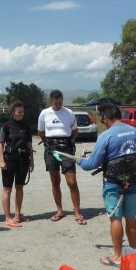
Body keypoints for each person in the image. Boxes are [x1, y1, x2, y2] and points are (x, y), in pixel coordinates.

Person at [76, 103, 136, 267]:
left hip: (113, 182)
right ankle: (133, 253)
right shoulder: (134, 131)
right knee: (131, 216)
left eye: (102, 119)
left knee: (116, 218)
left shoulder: (105, 136)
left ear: (106, 118)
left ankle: (118, 257)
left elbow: (91, 163)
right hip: (133, 180)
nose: (102, 122)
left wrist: (79, 161)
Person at [37, 89, 86, 225]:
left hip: (66, 149)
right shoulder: (44, 113)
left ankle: (77, 211)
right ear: (51, 101)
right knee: (55, 180)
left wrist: (70, 142)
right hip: (51, 149)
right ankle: (60, 210)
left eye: (60, 102)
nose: (58, 105)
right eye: (55, 103)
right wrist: (49, 145)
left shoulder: (69, 113)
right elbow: (41, 132)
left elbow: (75, 131)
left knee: (72, 181)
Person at [0, 100, 34, 228]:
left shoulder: (26, 126)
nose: (21, 113)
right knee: (7, 189)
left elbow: (29, 144)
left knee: (20, 187)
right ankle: (8, 217)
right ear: (13, 112)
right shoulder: (6, 126)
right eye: (19, 112)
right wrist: (2, 161)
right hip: (9, 159)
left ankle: (18, 215)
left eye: (23, 111)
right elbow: (1, 144)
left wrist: (32, 160)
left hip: (23, 159)